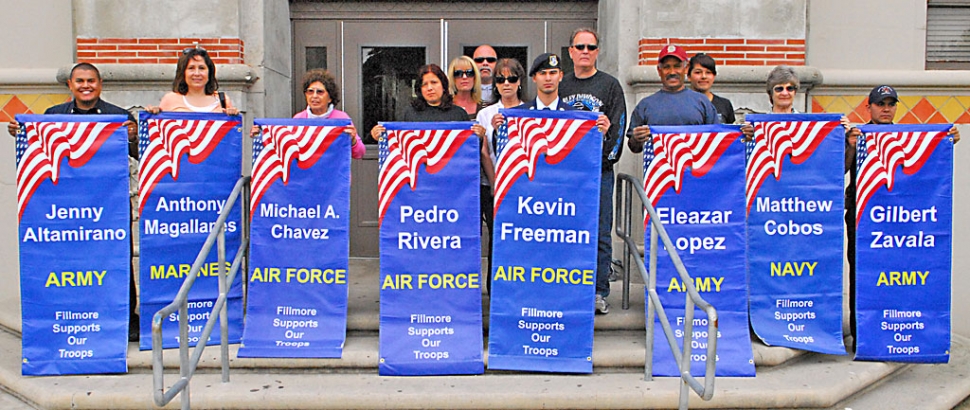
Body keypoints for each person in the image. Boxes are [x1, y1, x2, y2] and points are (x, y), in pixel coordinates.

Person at [7, 62, 141, 342]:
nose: (86, 85)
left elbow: (140, 154)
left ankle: (126, 320)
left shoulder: (119, 116)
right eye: (80, 81)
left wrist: (133, 137)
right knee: (70, 262)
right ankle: (71, 313)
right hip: (65, 208)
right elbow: (38, 151)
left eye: (91, 80)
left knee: (117, 262)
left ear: (100, 84)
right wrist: (22, 133)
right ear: (70, 85)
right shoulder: (53, 116)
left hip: (108, 207)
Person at [842, 85, 960, 348]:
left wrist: (949, 138)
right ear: (869, 107)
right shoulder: (857, 134)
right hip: (863, 218)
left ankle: (901, 328)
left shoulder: (907, 136)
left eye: (891, 104)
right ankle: (863, 335)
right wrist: (850, 147)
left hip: (901, 220)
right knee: (862, 274)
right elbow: (841, 169)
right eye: (880, 103)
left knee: (899, 272)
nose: (886, 108)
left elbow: (930, 157)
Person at [558, 27, 627, 315]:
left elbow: (619, 125)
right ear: (571, 51)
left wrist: (606, 159)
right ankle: (565, 287)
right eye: (580, 47)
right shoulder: (559, 84)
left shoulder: (610, 85)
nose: (585, 51)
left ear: (597, 51)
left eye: (590, 47)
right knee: (564, 230)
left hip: (599, 172)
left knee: (599, 231)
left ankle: (599, 290)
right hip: (565, 173)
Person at [476, 58, 526, 294]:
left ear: (520, 82)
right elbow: (484, 152)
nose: (506, 83)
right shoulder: (485, 114)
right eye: (501, 79)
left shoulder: (530, 111)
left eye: (512, 78)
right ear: (494, 84)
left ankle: (517, 289)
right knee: (496, 238)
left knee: (520, 239)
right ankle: (494, 290)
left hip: (522, 189)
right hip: (492, 187)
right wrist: (497, 185)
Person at [253, 69, 365, 159]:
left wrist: (353, 139)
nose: (314, 96)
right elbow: (286, 149)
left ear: (330, 97)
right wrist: (261, 134)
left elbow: (359, 153)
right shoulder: (298, 119)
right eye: (310, 91)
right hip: (306, 181)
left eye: (320, 92)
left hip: (333, 182)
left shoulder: (342, 119)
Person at [627, 44, 718, 154]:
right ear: (659, 70)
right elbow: (634, 147)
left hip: (695, 169)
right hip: (658, 169)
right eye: (666, 67)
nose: (672, 72)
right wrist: (637, 139)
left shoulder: (702, 102)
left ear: (686, 68)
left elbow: (716, 140)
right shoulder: (645, 105)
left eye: (677, 66)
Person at [369, 63, 485, 135]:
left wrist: (478, 137)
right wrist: (379, 135)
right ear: (419, 89)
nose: (430, 88)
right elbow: (398, 146)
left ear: (443, 86)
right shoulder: (409, 114)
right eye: (425, 84)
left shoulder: (459, 114)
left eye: (434, 82)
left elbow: (468, 152)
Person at [148, 47, 239, 115]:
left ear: (209, 72)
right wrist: (153, 114)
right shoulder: (170, 99)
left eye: (202, 68)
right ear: (183, 73)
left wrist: (232, 114)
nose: (197, 73)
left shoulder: (222, 99)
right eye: (191, 68)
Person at [688, 53, 736, 124]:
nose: (704, 76)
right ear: (689, 76)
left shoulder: (725, 104)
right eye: (698, 72)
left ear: (714, 76)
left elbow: (732, 132)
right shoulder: (682, 103)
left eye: (708, 72)